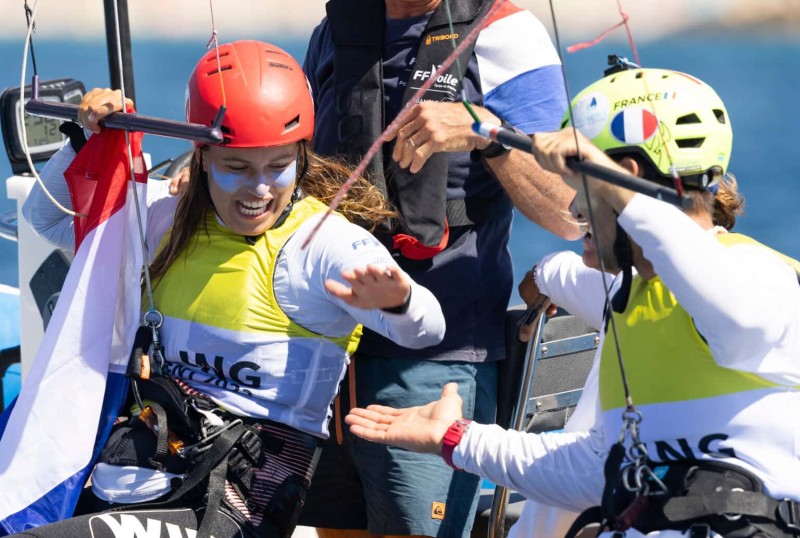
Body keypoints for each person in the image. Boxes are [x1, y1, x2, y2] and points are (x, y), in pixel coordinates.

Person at [343, 64, 800, 537]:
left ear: (625, 178)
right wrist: (456, 438)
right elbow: (594, 471)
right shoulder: (633, 301)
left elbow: (744, 321)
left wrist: (621, 191)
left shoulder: (759, 276)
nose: (574, 210)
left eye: (581, 189)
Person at [17, 40, 446, 538]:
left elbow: (429, 330)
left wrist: (400, 301)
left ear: (301, 157)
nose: (258, 188)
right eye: (236, 167)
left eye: (277, 165)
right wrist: (89, 141)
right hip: (143, 474)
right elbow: (45, 219)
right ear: (200, 158)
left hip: (243, 498)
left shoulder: (324, 244)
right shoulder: (166, 217)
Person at [297, 1, 580, 537]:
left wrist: (485, 132)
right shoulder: (336, 30)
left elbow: (568, 212)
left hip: (436, 364)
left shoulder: (507, 35)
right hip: (326, 356)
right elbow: (298, 166)